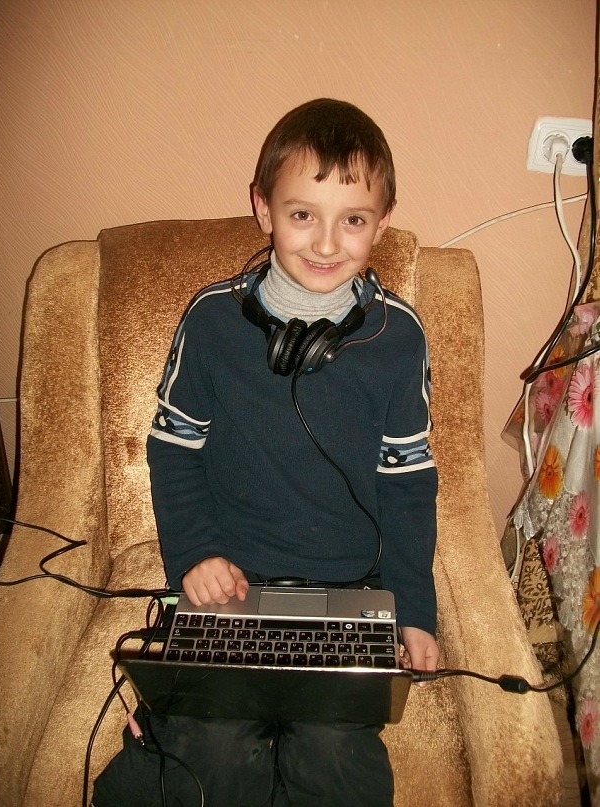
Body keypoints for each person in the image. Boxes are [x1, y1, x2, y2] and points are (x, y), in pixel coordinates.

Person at [93, 98, 439, 807]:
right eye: (302, 213)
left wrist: (413, 610)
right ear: (263, 209)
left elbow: (408, 484)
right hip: (230, 586)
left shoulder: (399, 336)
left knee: (337, 763)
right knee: (209, 757)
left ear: (383, 221)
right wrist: (196, 553)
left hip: (349, 591)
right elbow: (173, 448)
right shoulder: (212, 320)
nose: (326, 243)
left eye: (353, 220)